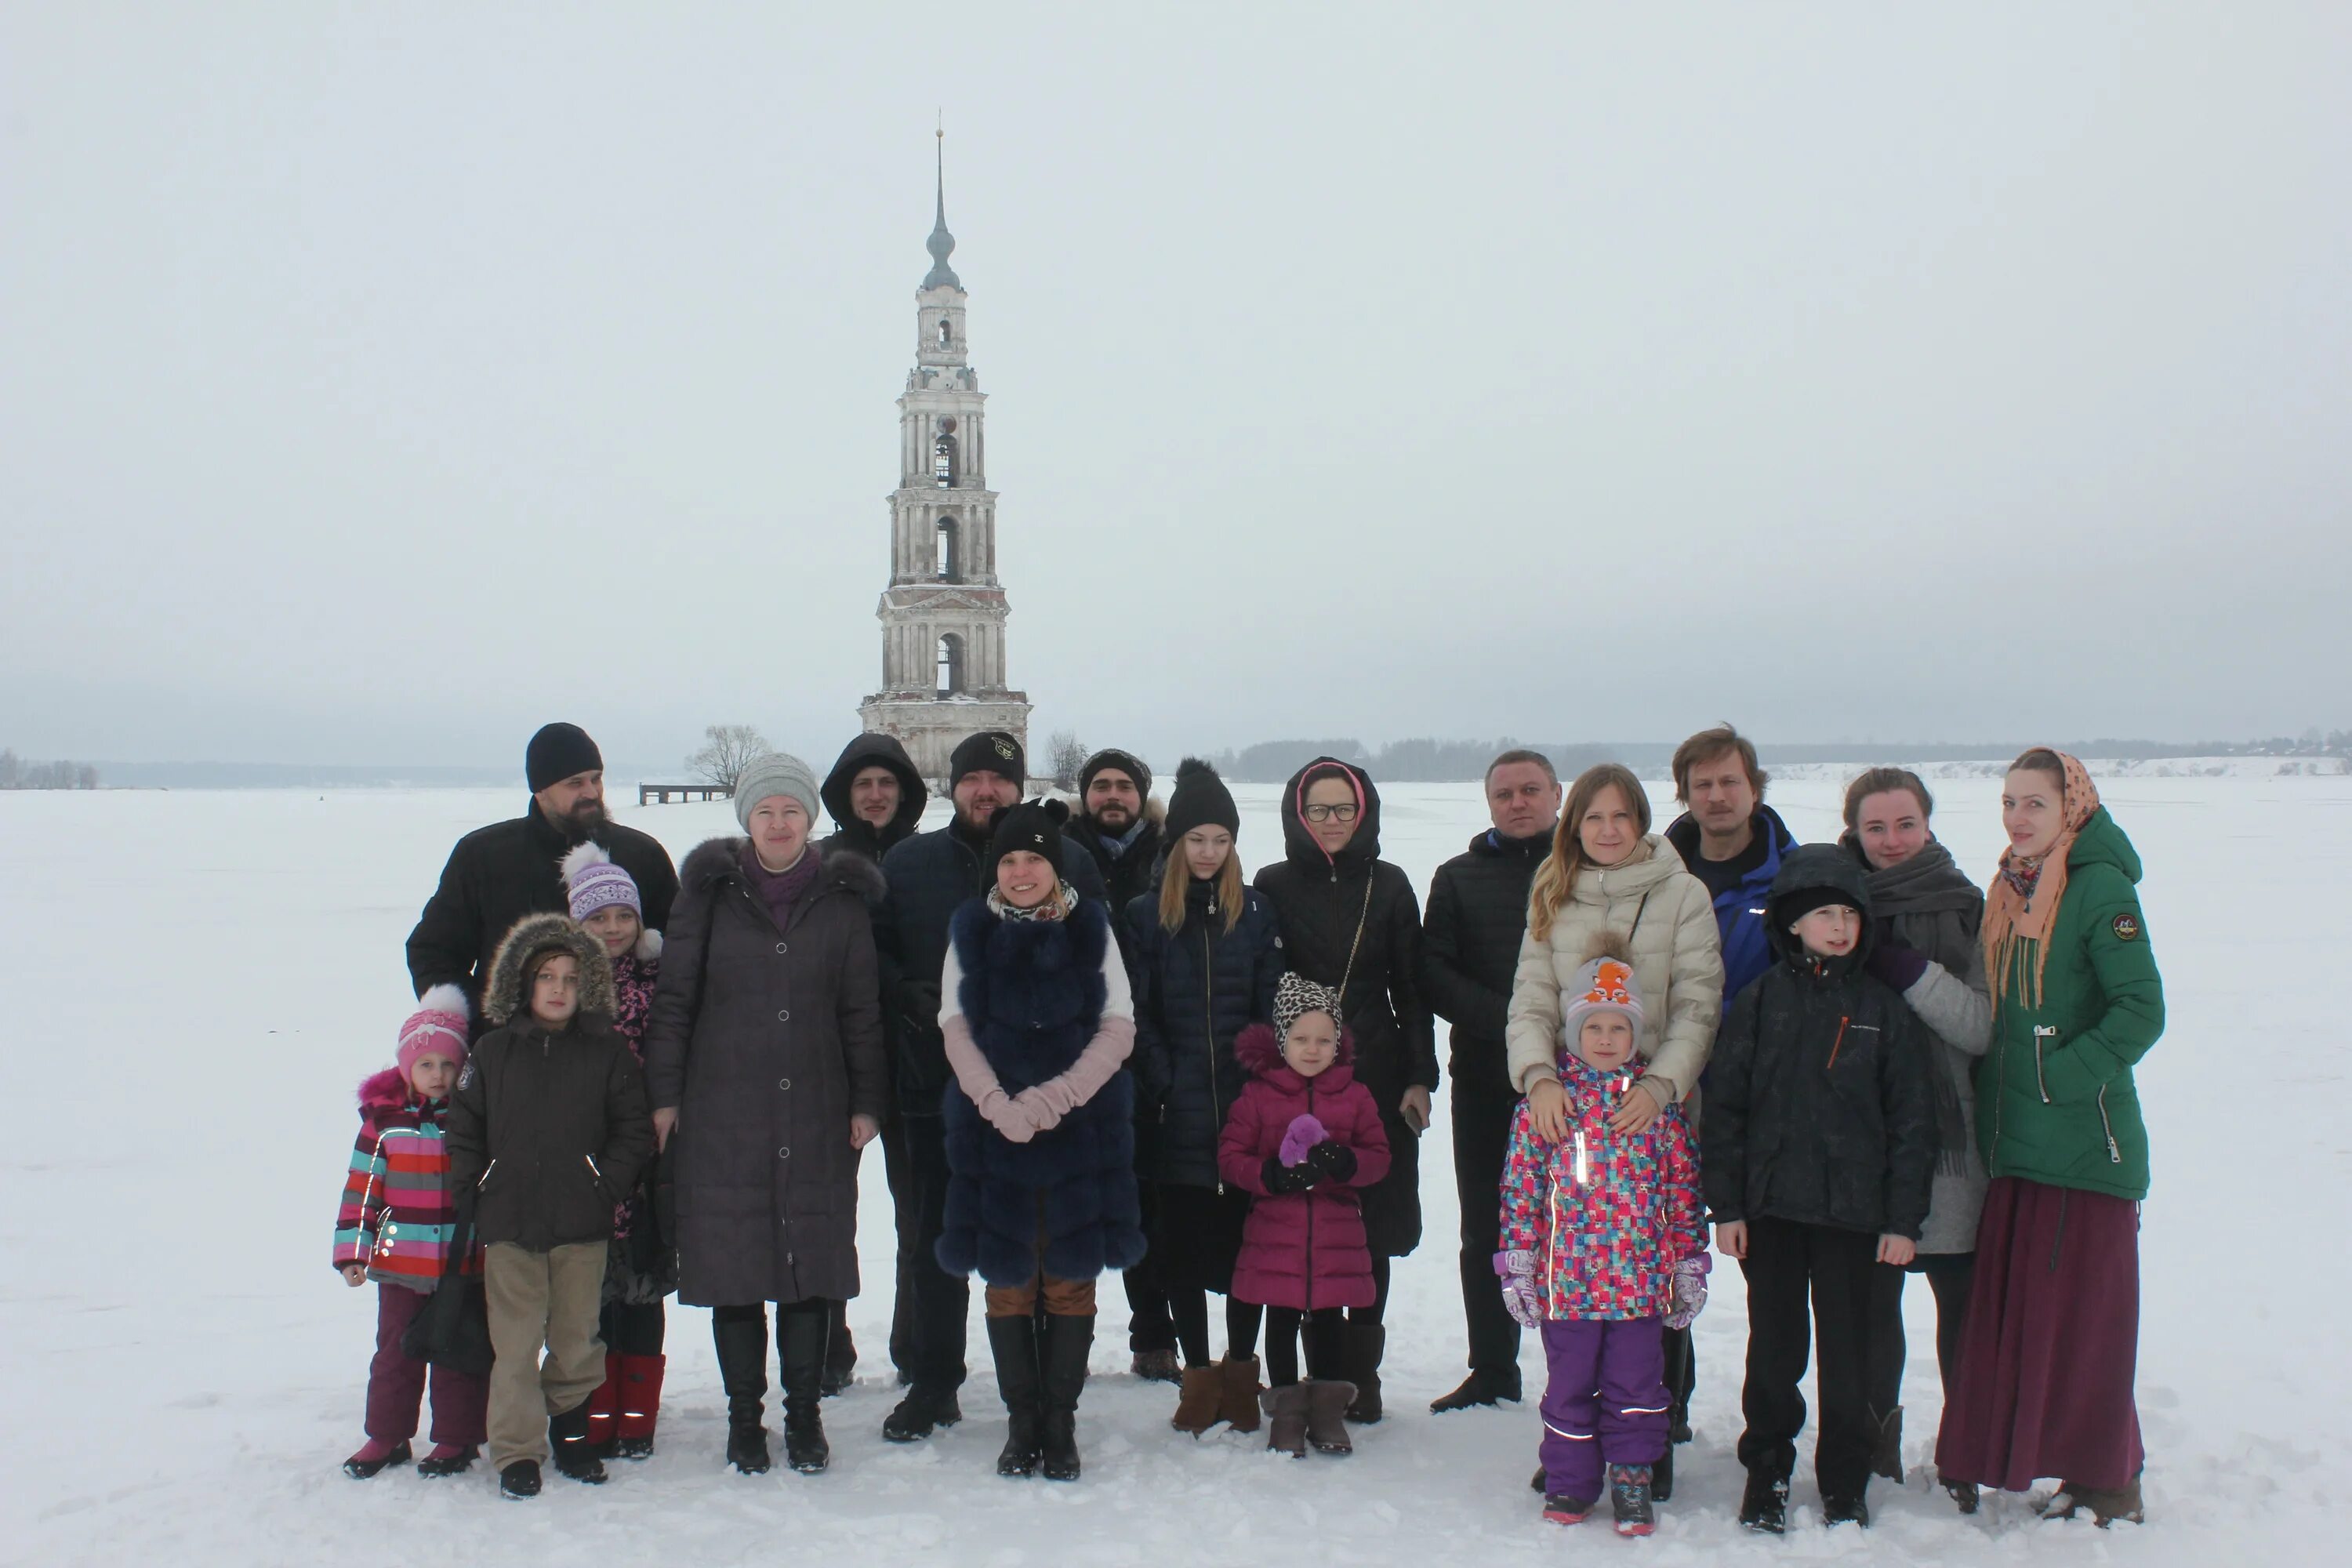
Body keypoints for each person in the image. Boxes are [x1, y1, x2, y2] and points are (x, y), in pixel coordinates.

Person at [641, 753, 888, 1476]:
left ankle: (804, 1416)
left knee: (810, 1267)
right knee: (736, 1267)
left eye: (791, 811)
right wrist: (665, 1097)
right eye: (765, 812)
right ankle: (744, 1420)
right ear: (746, 820)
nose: (779, 825)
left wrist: (867, 1102)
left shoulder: (842, 899)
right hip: (723, 1112)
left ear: (810, 818)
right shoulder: (707, 896)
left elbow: (860, 1010)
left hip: (816, 1107)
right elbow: (675, 1004)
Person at [1934, 750, 2163, 1527]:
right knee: (2032, 1314)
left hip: (2084, 1144)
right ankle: (2034, 1454)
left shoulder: (2102, 888)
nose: (2019, 817)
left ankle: (2111, 1478)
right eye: (2008, 802)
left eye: (2036, 801)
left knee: (2090, 1320)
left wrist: (2062, 1076)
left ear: (2073, 806)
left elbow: (2140, 1009)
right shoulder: (2010, 888)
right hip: (2016, 1141)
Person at [873, 731, 1108, 1443]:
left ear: (1017, 785)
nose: (986, 791)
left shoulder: (1070, 864)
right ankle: (935, 1381)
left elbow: (1100, 963)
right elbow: (875, 954)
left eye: (998, 780)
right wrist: (911, 997)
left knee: (1038, 1240)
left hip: (1038, 1096)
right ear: (953, 786)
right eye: (972, 778)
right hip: (933, 1089)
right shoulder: (909, 864)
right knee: (933, 1240)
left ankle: (1041, 1394)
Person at [1506, 761, 1723, 1498]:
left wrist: (1663, 1085)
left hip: (1651, 1108)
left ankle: (1651, 1443)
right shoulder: (1553, 889)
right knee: (1580, 1295)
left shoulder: (1681, 893)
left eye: (1619, 817)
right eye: (1592, 819)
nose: (1606, 831)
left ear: (1641, 822)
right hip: (1568, 1113)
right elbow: (1532, 996)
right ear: (1575, 827)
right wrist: (1538, 1076)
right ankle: (1578, 1450)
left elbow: (1699, 1000)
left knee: (1650, 1288)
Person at [1704, 846, 1935, 1533]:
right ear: (1792, 925)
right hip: (1771, 1214)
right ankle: (1768, 1472)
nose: (1839, 927)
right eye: (1822, 915)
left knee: (1849, 1358)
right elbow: (1727, 1112)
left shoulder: (1882, 1009)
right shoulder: (1759, 1001)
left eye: (1849, 914)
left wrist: (1902, 1220)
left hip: (1855, 1220)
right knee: (1774, 1354)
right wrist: (1730, 1206)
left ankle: (1844, 1481)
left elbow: (1912, 1122)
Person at [935, 800, 1144, 1482]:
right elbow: (954, 1025)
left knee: (1069, 1284)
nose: (1022, 871)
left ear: (1055, 866)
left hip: (1079, 1131)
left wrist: (1053, 1099)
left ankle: (1061, 1423)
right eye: (1009, 859)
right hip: (993, 1135)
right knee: (1008, 1286)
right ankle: (1021, 1422)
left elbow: (1118, 1026)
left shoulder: (1091, 928)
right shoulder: (970, 929)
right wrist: (997, 1103)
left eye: (1034, 859)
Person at [1497, 936, 1708, 1537]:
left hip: (1640, 1288)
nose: (1609, 1039)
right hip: (1568, 1285)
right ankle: (1569, 1480)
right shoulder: (1549, 1106)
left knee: (1638, 1387)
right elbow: (1521, 1191)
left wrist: (1689, 1262)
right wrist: (1518, 1262)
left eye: (1621, 1027)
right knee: (1568, 1389)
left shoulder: (1659, 1110)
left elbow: (1683, 1194)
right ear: (1573, 1032)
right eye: (1595, 1027)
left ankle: (1634, 1479)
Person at [444, 913, 654, 1500]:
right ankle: (516, 1450)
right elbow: (462, 1129)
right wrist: (477, 1188)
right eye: (545, 977)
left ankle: (570, 1431)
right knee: (513, 1346)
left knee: (577, 1338)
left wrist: (602, 1185)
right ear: (521, 984)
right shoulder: (490, 1053)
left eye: (569, 977)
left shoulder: (605, 1051)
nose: (558, 988)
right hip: (508, 1223)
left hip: (581, 1225)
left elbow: (632, 1130)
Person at [1252, 757, 1435, 1422]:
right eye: (1319, 810)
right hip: (1295, 1075)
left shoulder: (1389, 885)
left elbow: (1411, 990)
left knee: (1371, 1226)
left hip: (1377, 1073)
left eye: (1344, 810)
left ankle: (1361, 1373)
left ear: (1366, 814)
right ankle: (1308, 1369)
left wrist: (1419, 1075)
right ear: (1298, 816)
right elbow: (1259, 981)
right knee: (1300, 1221)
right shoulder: (1271, 883)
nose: (1332, 823)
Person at [1839, 769, 1992, 1483]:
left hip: (1952, 1144)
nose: (1892, 841)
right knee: (1873, 1312)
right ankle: (1877, 1453)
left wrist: (1907, 970)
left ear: (1929, 825)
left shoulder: (1970, 911)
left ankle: (1966, 1451)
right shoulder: (1836, 910)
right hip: (1866, 1144)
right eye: (1876, 828)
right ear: (1856, 833)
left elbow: (1983, 1027)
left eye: (1905, 825)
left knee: (1961, 1308)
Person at [1123, 760, 1284, 1436]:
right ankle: (1197, 1376)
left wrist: (1257, 1075)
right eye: (1196, 839)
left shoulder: (1257, 915)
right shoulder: (1144, 917)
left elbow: (1271, 1004)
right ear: (1177, 844)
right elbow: (1135, 1010)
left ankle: (1241, 1374)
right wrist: (1164, 1078)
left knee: (1248, 1249)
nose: (1208, 852)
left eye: (1220, 839)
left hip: (1245, 1110)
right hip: (1176, 1108)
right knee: (1183, 1252)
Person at [1422, 747, 1561, 1413]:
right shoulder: (1457, 877)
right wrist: (1512, 1024)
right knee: (1488, 1229)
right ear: (1488, 802)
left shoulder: (1590, 871)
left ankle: (1594, 1373)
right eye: (1505, 793)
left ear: (1557, 796)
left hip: (1579, 1085)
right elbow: (1435, 971)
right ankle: (1493, 1368)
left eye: (1531, 790)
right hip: (1485, 1078)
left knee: (1590, 1229)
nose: (1518, 803)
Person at [1220, 976, 1392, 1458]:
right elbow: (1231, 1155)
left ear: (1338, 1043)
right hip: (1277, 1231)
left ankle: (1327, 1410)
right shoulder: (1259, 1095)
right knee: (1281, 1318)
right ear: (1281, 1041)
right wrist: (1268, 1175)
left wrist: (1349, 1164)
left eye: (1323, 1040)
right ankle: (1288, 1411)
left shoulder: (1354, 1095)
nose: (1313, 1050)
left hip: (1336, 1233)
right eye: (1301, 1039)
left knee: (1330, 1320)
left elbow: (1379, 1154)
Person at [407, 723, 678, 1025]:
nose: (591, 792)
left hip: (621, 1055)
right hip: (512, 1059)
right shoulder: (483, 856)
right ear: (540, 790)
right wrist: (490, 1029)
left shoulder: (641, 855)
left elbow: (682, 953)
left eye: (596, 779)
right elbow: (433, 952)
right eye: (575, 783)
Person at [813, 731, 930, 1394]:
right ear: (845, 796)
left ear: (905, 792)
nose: (877, 795)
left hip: (915, 1057)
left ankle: (916, 1347)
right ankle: (829, 1347)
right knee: (829, 1211)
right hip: (834, 1063)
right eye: (864, 785)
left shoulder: (929, 859)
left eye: (887, 784)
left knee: (917, 1215)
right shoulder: (821, 863)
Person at [332, 985, 488, 1480]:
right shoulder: (384, 1124)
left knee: (458, 1353)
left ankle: (455, 1440)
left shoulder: (473, 1118)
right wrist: (353, 1253)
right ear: (406, 1068)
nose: (438, 1076)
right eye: (426, 1066)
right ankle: (388, 1435)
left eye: (447, 1065)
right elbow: (361, 1190)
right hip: (399, 1264)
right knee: (396, 1352)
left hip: (461, 1262)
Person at [1061, 746, 1178, 1381]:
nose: (1112, 796)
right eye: (1101, 786)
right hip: (1075, 1053)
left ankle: (1154, 1335)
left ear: (1141, 794)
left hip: (1152, 1047)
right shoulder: (1060, 848)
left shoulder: (1169, 852)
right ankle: (1063, 1341)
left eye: (1123, 787)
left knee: (1149, 1203)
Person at [559, 844, 673, 1460]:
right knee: (590, 1298)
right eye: (598, 919)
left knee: (643, 1293)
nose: (612, 929)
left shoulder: (660, 979)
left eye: (622, 917)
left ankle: (638, 1416)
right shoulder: (563, 985)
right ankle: (595, 1409)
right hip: (584, 1163)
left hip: (648, 1158)